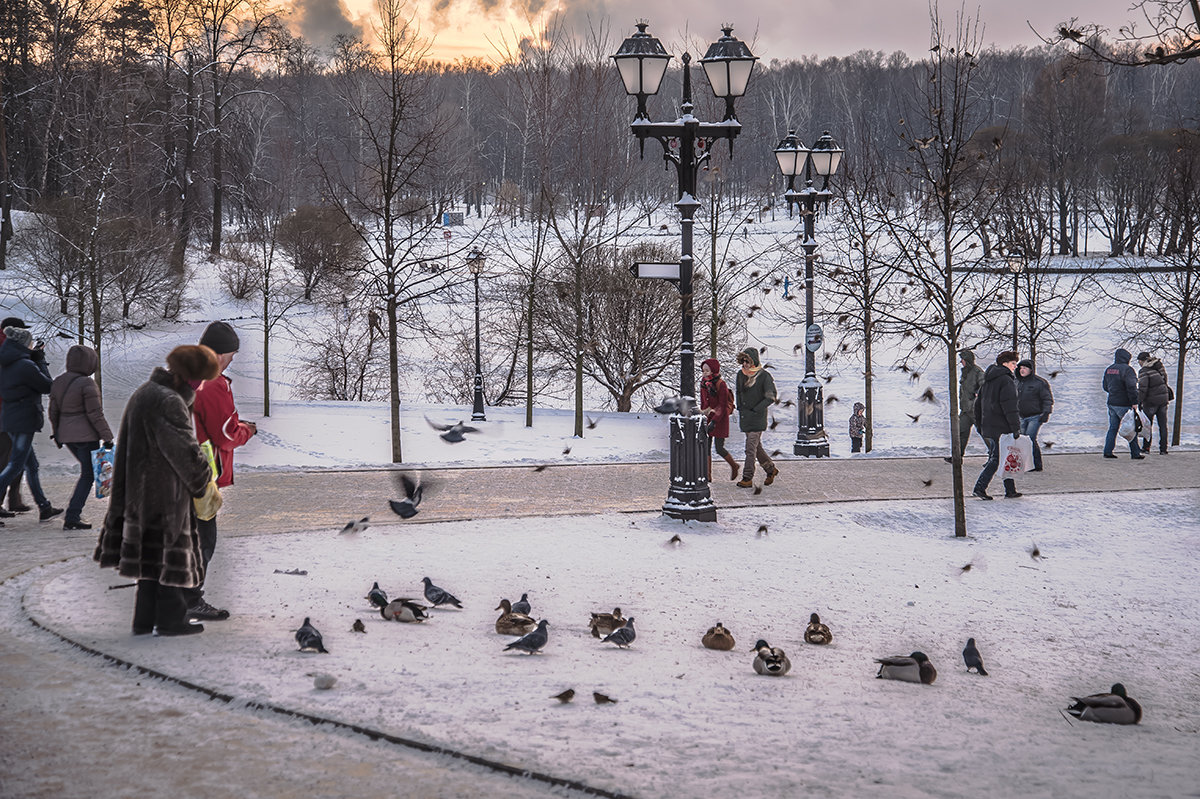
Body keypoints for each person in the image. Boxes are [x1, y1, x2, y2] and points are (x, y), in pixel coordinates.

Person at [95, 345, 221, 636]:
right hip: (163, 495)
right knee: (170, 557)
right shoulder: (168, 401)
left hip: (140, 493)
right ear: (189, 377)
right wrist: (204, 477)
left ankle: (144, 619)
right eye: (199, 379)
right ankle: (170, 620)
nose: (200, 386)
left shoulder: (146, 392)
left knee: (151, 562)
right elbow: (185, 454)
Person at [186, 321, 257, 622]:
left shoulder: (186, 373)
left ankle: (173, 597)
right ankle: (189, 598)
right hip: (200, 472)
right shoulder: (212, 382)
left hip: (179, 466)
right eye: (231, 354)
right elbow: (226, 433)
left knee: (186, 536)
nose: (232, 360)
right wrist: (248, 430)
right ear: (222, 353)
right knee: (203, 539)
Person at [0, 324, 63, 523]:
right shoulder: (25, 365)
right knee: (15, 464)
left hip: (12, 418)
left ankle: (44, 507)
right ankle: (44, 508)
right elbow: (48, 386)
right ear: (23, 344)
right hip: (23, 420)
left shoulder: (6, 362)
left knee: (31, 465)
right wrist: (40, 360)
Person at [48, 344, 114, 530]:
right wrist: (107, 437)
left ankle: (73, 515)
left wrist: (58, 433)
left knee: (88, 472)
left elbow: (53, 411)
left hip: (67, 436)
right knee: (88, 475)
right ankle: (72, 516)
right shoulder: (87, 383)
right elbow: (95, 414)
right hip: (86, 436)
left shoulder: (59, 381)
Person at [972, 350, 1022, 501]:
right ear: (1005, 364)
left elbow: (978, 405)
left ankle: (1010, 490)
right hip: (1002, 426)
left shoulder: (988, 380)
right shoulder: (1006, 381)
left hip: (990, 425)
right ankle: (979, 488)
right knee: (997, 459)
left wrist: (980, 424)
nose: (1015, 367)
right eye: (1013, 364)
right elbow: (1010, 407)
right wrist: (1015, 428)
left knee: (1004, 456)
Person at [0, 317, 32, 515]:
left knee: (14, 458)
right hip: (8, 413)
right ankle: (9, 499)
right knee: (9, 458)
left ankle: (14, 498)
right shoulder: (9, 352)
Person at [734, 347, 778, 488]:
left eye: (748, 361)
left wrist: (756, 409)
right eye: (743, 361)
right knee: (757, 448)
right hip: (745, 418)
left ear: (754, 361)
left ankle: (747, 477)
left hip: (757, 418)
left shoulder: (764, 376)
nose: (745, 364)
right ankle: (771, 469)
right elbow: (739, 392)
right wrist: (740, 406)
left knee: (750, 448)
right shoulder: (740, 375)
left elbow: (771, 396)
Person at [700, 358, 738, 481]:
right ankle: (707, 475)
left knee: (719, 448)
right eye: (703, 370)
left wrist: (715, 421)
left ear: (713, 370)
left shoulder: (721, 384)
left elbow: (722, 405)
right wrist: (703, 416)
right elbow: (703, 402)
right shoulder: (703, 383)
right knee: (706, 446)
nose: (704, 373)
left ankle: (734, 465)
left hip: (720, 419)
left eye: (707, 370)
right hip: (708, 417)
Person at [1102, 348, 1143, 460]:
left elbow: (1105, 386)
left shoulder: (1109, 369)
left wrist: (1114, 392)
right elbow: (1131, 387)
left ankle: (1108, 451)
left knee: (1113, 428)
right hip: (1124, 403)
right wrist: (1134, 402)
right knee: (1131, 428)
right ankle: (1135, 453)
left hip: (1111, 402)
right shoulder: (1128, 370)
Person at [947, 348, 985, 463]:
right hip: (965, 410)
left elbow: (984, 387)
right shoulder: (966, 371)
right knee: (961, 433)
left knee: (984, 433)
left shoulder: (978, 372)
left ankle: (995, 455)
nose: (961, 362)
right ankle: (957, 457)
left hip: (975, 410)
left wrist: (975, 399)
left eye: (962, 360)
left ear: (967, 360)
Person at [1015, 359, 1053, 472]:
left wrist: (1046, 412)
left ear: (1030, 370)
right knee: (1022, 439)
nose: (1022, 370)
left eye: (1025, 368)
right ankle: (1030, 464)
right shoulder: (1016, 381)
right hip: (1020, 415)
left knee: (1029, 438)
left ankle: (1034, 464)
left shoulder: (1039, 383)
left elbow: (1047, 399)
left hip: (1035, 416)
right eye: (1020, 368)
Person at [1136, 351, 1170, 455]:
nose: (1139, 363)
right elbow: (1164, 381)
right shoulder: (1158, 367)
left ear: (1142, 361)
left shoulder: (1144, 371)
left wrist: (1139, 401)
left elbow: (1143, 389)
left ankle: (1146, 448)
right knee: (1163, 425)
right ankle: (1163, 449)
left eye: (1139, 361)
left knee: (1147, 425)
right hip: (1163, 399)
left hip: (1151, 401)